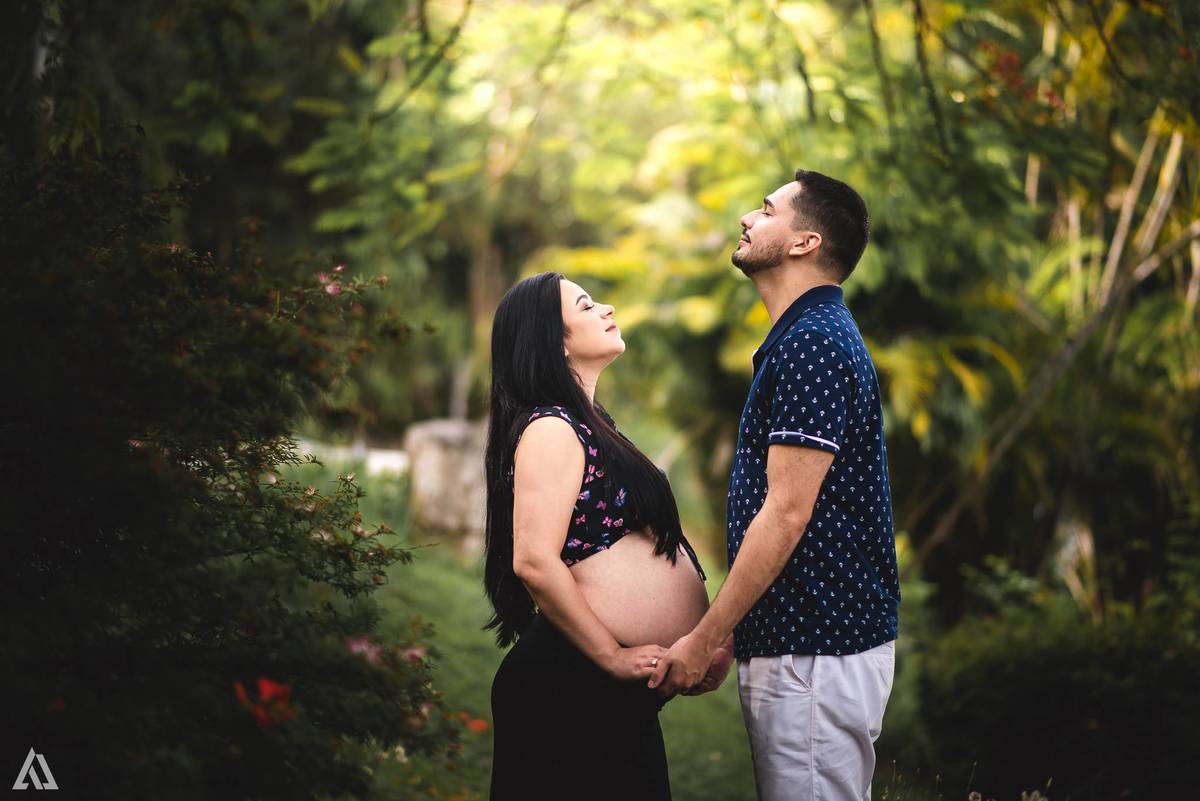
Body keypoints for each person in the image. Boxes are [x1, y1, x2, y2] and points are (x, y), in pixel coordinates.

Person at [648, 170, 901, 801]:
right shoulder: (802, 338)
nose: (746, 218)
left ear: (803, 242)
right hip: (801, 644)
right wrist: (740, 626)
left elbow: (787, 514)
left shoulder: (813, 344)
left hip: (816, 649)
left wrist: (703, 637)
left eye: (766, 210)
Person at [483, 271, 734, 801]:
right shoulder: (552, 427)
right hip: (568, 688)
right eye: (585, 304)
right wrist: (608, 655)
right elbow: (533, 561)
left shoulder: (589, 423)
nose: (606, 307)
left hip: (600, 696)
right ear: (554, 339)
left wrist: (700, 638)